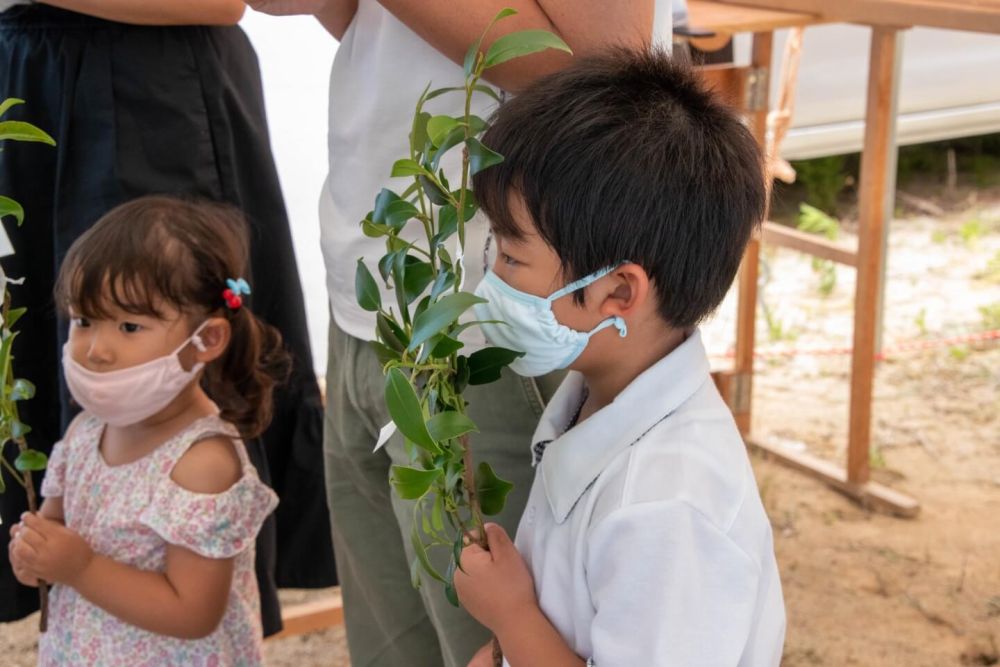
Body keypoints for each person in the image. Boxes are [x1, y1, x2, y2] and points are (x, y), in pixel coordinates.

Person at [243, 1, 663, 665]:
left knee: (496, 639)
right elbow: (385, 40)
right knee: (391, 642)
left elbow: (612, 65)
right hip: (371, 281)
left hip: (491, 313)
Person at [0, 1, 335, 631]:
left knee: (151, 354)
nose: (92, 345)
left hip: (142, 82)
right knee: (76, 353)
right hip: (31, 69)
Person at [452, 48, 786, 666]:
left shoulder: (669, 508)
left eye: (511, 257)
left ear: (617, 292)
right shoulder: (597, 398)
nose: (489, 280)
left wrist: (511, 616)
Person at [7, 196, 286, 665]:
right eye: (84, 320)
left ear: (208, 339)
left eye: (130, 326)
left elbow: (194, 612)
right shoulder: (84, 433)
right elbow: (55, 526)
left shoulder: (203, 463)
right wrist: (35, 554)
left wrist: (80, 567)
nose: (96, 349)